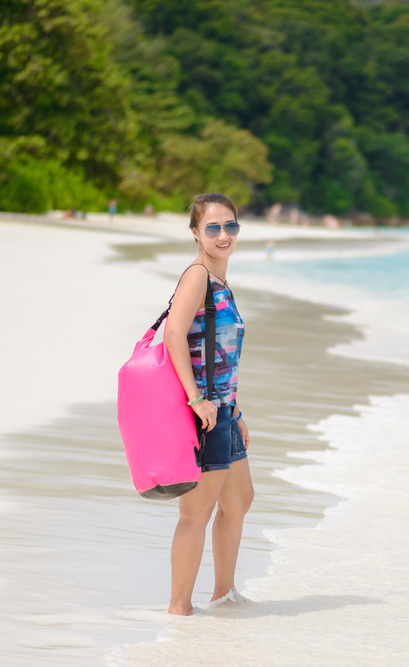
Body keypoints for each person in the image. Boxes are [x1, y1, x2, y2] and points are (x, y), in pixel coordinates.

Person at [163, 192, 253, 615]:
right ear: (196, 233)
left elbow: (220, 354)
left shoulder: (221, 282)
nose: (223, 234)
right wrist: (197, 400)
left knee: (239, 500)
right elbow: (173, 333)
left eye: (230, 225)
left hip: (224, 411)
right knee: (195, 514)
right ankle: (179, 609)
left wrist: (236, 410)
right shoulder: (197, 276)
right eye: (213, 227)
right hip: (204, 413)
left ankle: (224, 596)